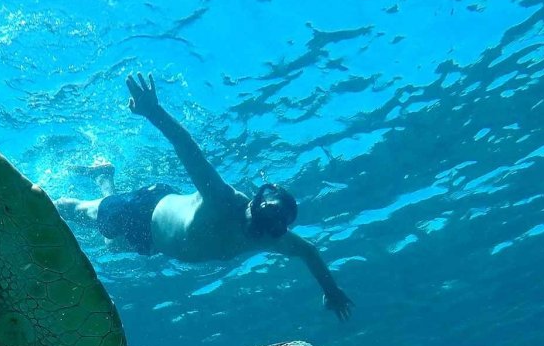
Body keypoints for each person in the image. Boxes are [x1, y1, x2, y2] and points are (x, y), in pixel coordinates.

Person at [55, 75, 352, 319]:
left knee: (111, 245)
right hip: (143, 210)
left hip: (155, 241)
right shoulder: (224, 200)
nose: (252, 227)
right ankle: (36, 201)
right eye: (255, 216)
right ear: (253, 201)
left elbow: (309, 251)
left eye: (264, 227)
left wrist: (332, 290)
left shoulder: (271, 236)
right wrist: (154, 112)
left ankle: (103, 174)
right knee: (80, 212)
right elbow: (188, 149)